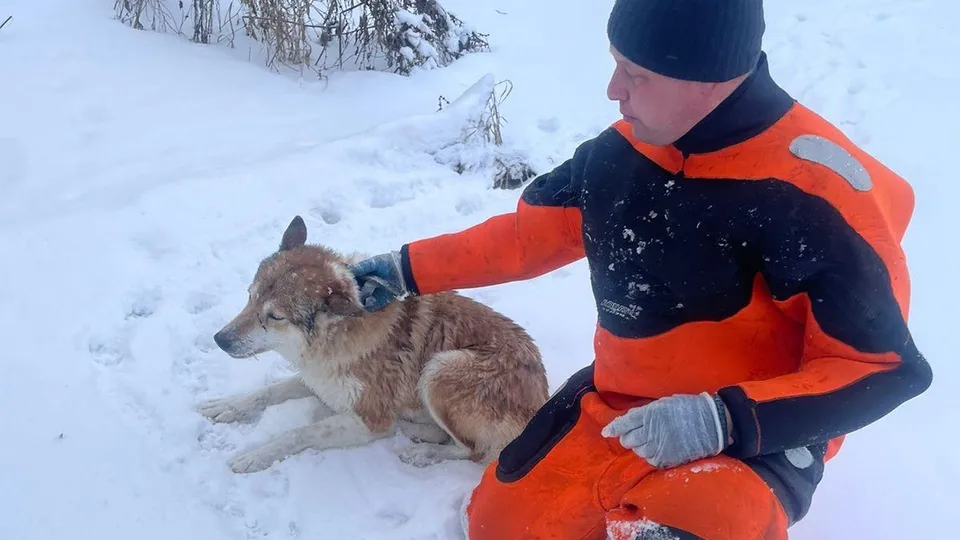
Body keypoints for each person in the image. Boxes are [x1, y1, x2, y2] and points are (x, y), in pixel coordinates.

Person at [347, 0, 933, 538]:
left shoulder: (818, 193)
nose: (612, 91)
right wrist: (408, 269)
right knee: (500, 526)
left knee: (700, 524)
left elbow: (881, 368)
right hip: (623, 403)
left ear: (710, 79)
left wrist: (724, 419)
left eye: (637, 74)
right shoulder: (621, 155)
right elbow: (527, 238)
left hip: (755, 434)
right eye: (615, 64)